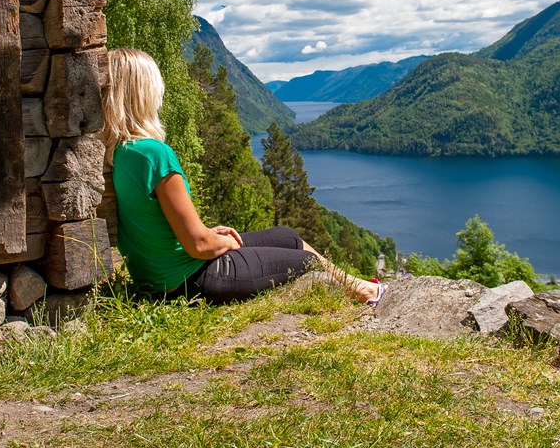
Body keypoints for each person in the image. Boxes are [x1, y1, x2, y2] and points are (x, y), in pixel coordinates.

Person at [102, 47, 386, 305]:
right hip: (194, 279)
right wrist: (222, 242)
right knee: (307, 259)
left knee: (288, 237)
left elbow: (157, 224)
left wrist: (209, 232)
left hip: (158, 276)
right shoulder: (154, 154)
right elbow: (199, 245)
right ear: (145, 93)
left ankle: (357, 285)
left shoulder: (121, 152)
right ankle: (365, 291)